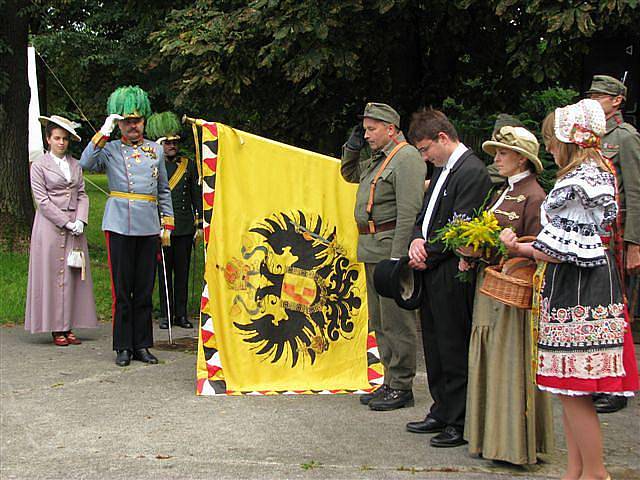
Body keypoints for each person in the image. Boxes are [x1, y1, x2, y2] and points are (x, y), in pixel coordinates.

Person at [502, 99, 639, 480]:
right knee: (569, 389)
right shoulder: (593, 172)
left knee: (576, 389)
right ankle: (577, 470)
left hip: (580, 289)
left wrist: (517, 247)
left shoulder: (580, 181)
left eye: (551, 138)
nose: (547, 146)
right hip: (583, 284)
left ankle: (594, 472)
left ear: (569, 139)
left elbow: (560, 249)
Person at [462, 125, 554, 464]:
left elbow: (539, 245)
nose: (497, 158)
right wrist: (473, 251)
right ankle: (492, 439)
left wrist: (511, 251)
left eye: (503, 153)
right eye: (497, 153)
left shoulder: (535, 195)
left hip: (513, 294)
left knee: (509, 363)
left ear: (521, 158)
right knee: (491, 359)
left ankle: (513, 445)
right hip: (491, 286)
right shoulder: (503, 191)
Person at [406, 108, 492, 448]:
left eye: (427, 149)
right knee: (434, 342)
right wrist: (416, 238)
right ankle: (440, 408)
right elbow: (423, 213)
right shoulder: (443, 170)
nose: (425, 157)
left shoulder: (471, 171)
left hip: (451, 270)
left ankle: (458, 418)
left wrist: (428, 250)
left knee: (453, 344)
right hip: (431, 266)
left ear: (443, 138)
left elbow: (461, 226)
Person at [80, 86, 174, 367]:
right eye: (126, 121)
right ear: (119, 123)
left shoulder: (155, 150)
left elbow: (163, 190)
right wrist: (103, 131)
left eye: (137, 121)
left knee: (145, 289)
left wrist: (166, 222)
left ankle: (142, 344)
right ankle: (122, 346)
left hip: (147, 225)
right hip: (119, 223)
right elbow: (85, 163)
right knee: (122, 290)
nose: (133, 126)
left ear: (144, 121)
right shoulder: (109, 148)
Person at [341, 102, 426, 411]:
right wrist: (351, 146)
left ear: (391, 129)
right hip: (372, 249)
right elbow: (349, 172)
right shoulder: (380, 160)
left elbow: (408, 212)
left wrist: (397, 257)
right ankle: (390, 380)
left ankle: (402, 385)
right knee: (380, 320)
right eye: (364, 129)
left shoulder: (406, 158)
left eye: (371, 129)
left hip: (390, 250)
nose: (367, 135)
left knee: (397, 321)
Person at [587, 74, 640, 414]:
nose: (593, 100)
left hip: (617, 238)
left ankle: (618, 385)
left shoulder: (625, 138)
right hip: (594, 237)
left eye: (600, 96)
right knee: (597, 310)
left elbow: (634, 192)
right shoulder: (591, 137)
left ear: (617, 100)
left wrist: (635, 242)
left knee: (617, 311)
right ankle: (600, 378)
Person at [25, 115, 99, 345]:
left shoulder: (75, 164)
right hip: (49, 225)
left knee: (72, 273)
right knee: (51, 273)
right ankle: (55, 327)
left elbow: (82, 194)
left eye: (65, 139)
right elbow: (42, 200)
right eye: (57, 138)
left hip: (74, 226)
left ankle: (68, 325)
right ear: (48, 139)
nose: (61, 143)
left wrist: (81, 220)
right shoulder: (39, 166)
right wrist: (65, 221)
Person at [146, 112, 202, 330]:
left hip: (185, 227)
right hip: (162, 227)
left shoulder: (187, 165)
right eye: (168, 143)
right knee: (164, 273)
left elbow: (195, 195)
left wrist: (199, 222)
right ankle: (166, 314)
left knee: (183, 272)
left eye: (175, 143)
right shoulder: (153, 165)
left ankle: (181, 314)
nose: (172, 146)